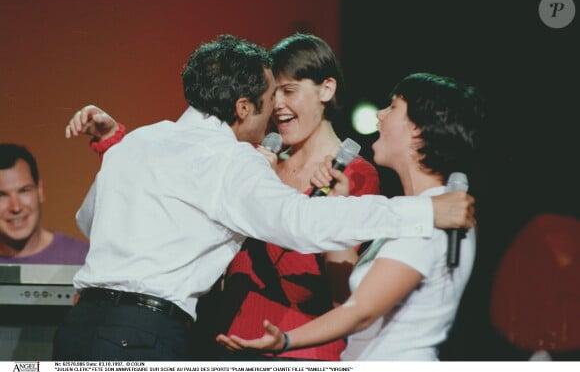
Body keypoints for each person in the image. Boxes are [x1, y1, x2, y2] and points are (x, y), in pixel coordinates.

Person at [55, 34, 475, 361]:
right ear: (242, 108)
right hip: (143, 336)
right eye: (269, 97)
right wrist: (424, 210)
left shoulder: (139, 140)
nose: (275, 110)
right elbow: (300, 223)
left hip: (78, 327)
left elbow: (89, 220)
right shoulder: (231, 161)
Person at [217, 72, 485, 360]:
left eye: (393, 107)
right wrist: (336, 206)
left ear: (417, 130)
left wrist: (285, 341)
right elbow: (344, 301)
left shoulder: (436, 216)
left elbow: (361, 312)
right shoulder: (413, 213)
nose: (380, 115)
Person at [204, 33, 380, 361]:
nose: (277, 105)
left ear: (326, 89)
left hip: (298, 348)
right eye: (272, 94)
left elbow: (341, 291)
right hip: (227, 340)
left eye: (289, 91)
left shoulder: (354, 174)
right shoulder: (260, 162)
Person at [0, 143, 88, 264]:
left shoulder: (85, 260)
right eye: (2, 195)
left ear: (40, 190)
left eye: (24, 191)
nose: (16, 207)